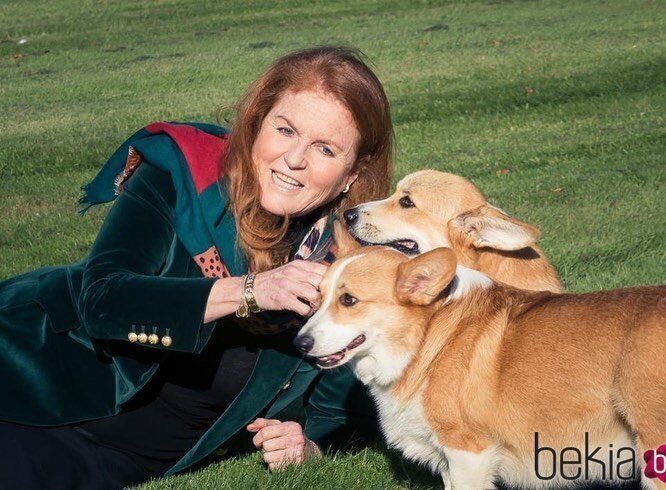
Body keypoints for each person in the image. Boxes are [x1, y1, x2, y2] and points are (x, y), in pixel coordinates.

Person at [0, 46, 394, 489]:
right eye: (285, 130)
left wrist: (309, 444)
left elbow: (345, 406)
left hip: (123, 458)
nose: (295, 158)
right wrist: (250, 291)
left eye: (325, 148)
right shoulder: (183, 176)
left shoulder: (350, 267)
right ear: (256, 125)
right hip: (29, 377)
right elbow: (103, 298)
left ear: (352, 175)